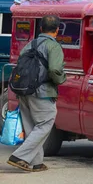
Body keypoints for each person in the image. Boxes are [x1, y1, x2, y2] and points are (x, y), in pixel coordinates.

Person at [8, 15, 66, 173]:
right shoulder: (53, 47)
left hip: (24, 91)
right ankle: (19, 156)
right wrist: (61, 79)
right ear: (57, 30)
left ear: (40, 29)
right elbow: (54, 69)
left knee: (31, 126)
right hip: (43, 92)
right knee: (45, 123)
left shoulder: (29, 45)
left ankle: (36, 163)